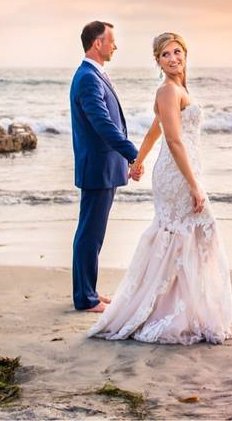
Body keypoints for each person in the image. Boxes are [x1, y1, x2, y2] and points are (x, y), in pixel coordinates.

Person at [86, 32, 232, 344]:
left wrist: (137, 162)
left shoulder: (178, 89)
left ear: (185, 54)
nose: (173, 58)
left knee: (183, 238)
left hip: (183, 170)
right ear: (158, 61)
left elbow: (154, 130)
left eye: (177, 52)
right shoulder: (168, 90)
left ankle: (183, 310)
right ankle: (170, 311)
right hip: (177, 175)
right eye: (165, 55)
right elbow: (173, 139)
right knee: (197, 230)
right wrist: (194, 185)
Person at [69, 21, 139, 313]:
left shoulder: (94, 75)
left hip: (103, 167)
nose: (115, 46)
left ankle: (89, 291)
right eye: (111, 41)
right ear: (97, 43)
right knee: (89, 232)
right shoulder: (87, 77)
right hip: (97, 167)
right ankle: (85, 298)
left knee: (93, 233)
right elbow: (103, 124)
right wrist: (132, 153)